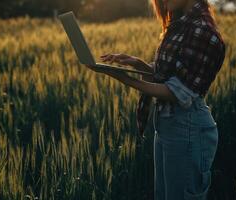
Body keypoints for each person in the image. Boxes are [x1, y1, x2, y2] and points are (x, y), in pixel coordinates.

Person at [85, 0, 226, 199]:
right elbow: (169, 76)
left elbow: (178, 91)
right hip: (167, 124)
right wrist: (137, 64)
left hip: (187, 128)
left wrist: (127, 80)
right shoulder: (180, 23)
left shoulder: (203, 32)